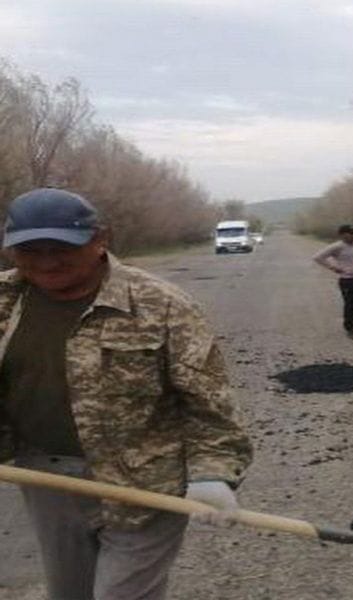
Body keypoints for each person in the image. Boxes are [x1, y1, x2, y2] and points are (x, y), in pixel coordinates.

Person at [0, 188, 253, 600]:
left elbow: (209, 404)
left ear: (100, 239)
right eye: (30, 249)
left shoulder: (162, 305)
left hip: (145, 486)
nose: (46, 261)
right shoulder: (4, 300)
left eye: (61, 246)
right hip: (43, 477)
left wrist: (213, 474)